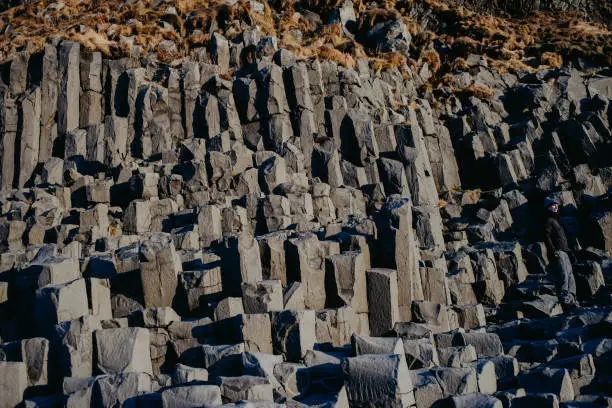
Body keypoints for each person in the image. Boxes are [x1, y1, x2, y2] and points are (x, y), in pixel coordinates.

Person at [543, 196, 578, 308]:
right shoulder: (548, 220)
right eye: (553, 205)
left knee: (570, 275)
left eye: (556, 205)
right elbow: (547, 236)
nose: (556, 206)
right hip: (558, 251)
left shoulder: (557, 220)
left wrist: (570, 252)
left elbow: (563, 239)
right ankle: (564, 298)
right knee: (563, 275)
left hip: (565, 252)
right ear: (547, 207)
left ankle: (572, 297)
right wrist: (553, 251)